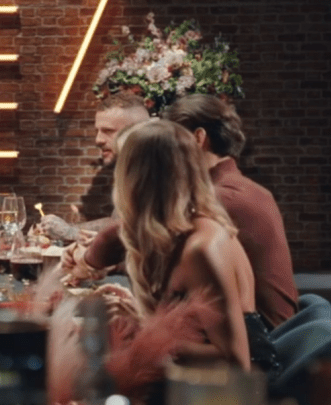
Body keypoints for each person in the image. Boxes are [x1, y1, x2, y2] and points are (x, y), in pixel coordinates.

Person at [68, 95, 298, 328]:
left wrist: (88, 258)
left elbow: (135, 232)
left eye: (170, 143)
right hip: (243, 327)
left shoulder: (219, 198)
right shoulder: (241, 188)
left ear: (198, 138)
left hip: (262, 337)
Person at [110, 120, 276, 371]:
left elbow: (237, 362)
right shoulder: (179, 231)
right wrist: (140, 316)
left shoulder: (202, 248)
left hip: (241, 390)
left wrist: (146, 333)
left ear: (137, 179)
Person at [41, 92, 151, 240]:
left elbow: (136, 234)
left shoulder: (155, 172)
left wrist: (71, 233)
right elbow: (116, 223)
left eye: (108, 131)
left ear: (137, 132)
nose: (98, 140)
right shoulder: (134, 168)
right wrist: (68, 228)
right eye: (97, 131)